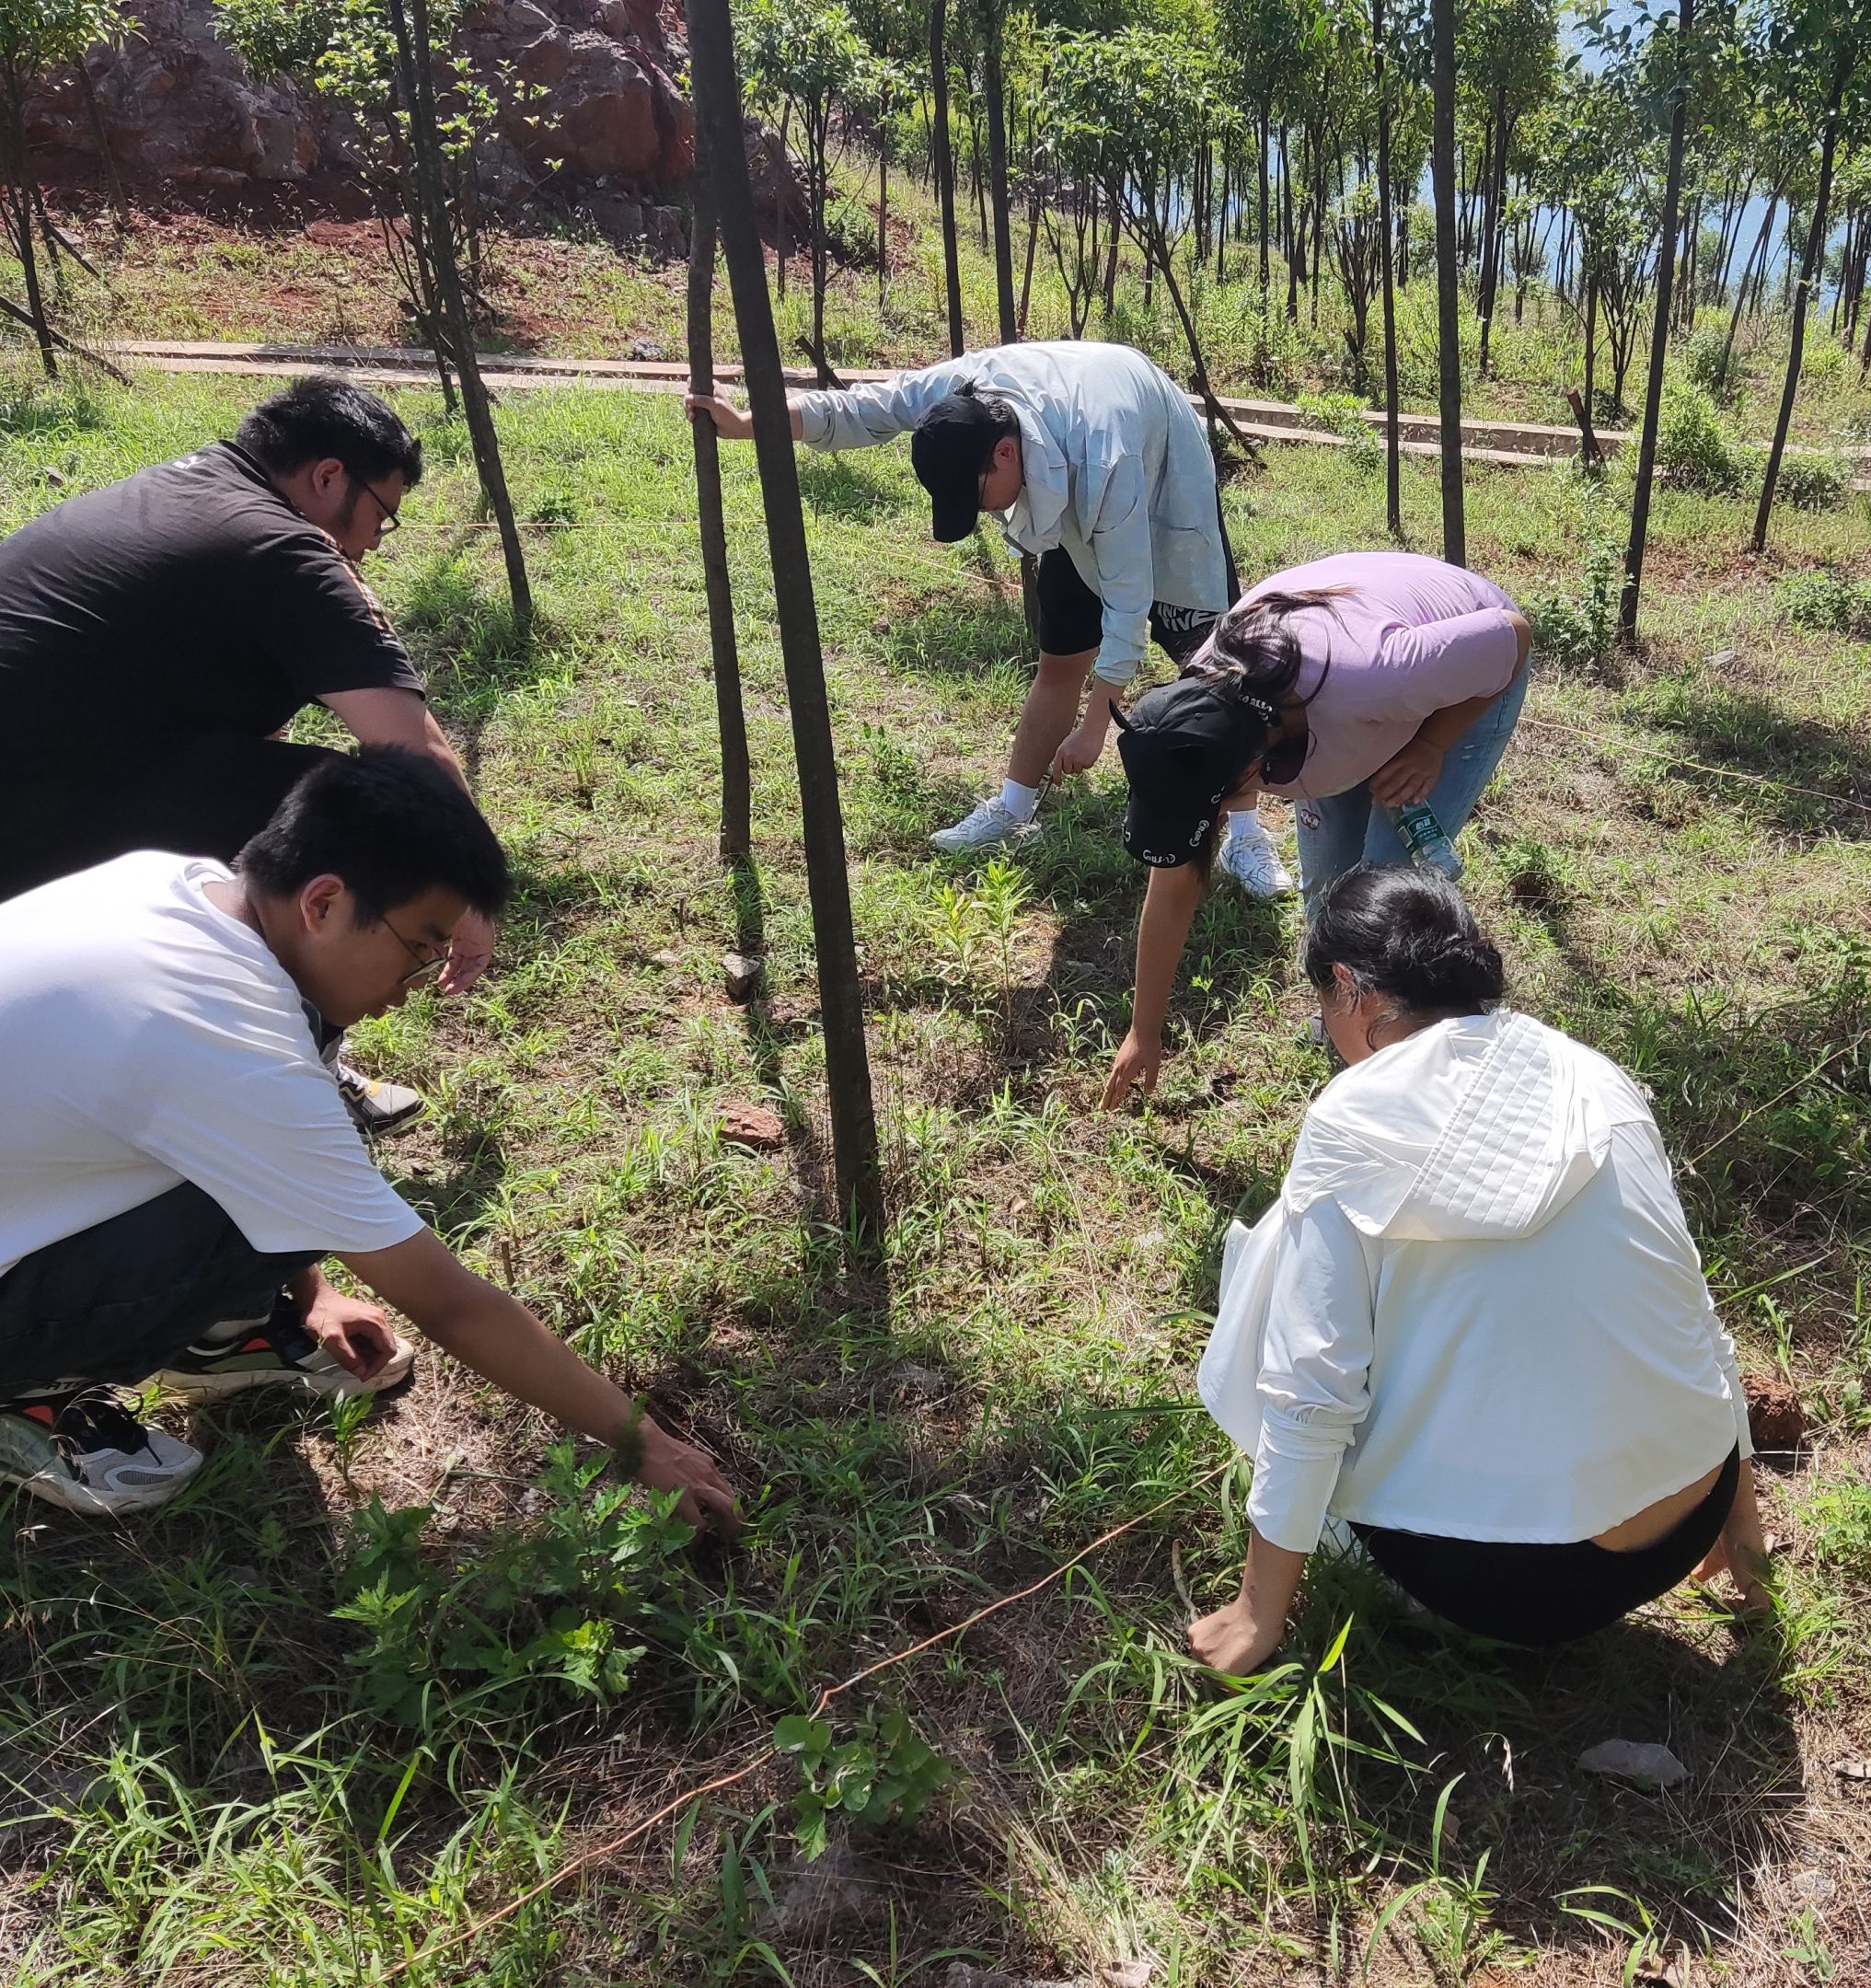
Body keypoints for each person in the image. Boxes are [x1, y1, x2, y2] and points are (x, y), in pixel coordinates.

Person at [0, 749, 737, 1529]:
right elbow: (449, 1302)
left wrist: (311, 1295)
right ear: (323, 902)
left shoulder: (180, 884)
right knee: (319, 1152)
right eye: (419, 945)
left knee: (307, 1148)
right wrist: (643, 1444)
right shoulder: (221, 1041)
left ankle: (226, 1332)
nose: (418, 983)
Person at [0, 374, 490, 1135]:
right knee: (343, 826)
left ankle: (155, 1051)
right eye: (381, 516)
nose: (373, 544)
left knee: (257, 806)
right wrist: (467, 891)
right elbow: (415, 754)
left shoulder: (189, 489)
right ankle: (296, 1082)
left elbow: (212, 713)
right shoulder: (285, 549)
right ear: (328, 478)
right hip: (1, 805)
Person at [1185, 866, 1768, 1671]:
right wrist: (1741, 1525)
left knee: (1276, 1262)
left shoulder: (1351, 1118)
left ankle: (1349, 1568)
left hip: (1514, 1587)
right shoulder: (1590, 1072)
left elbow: (1310, 1385)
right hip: (1689, 1512)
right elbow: (1692, 1305)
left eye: (1322, 1004)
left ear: (1348, 988)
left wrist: (1257, 1614)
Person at [687, 343, 1280, 885]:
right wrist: (750, 423)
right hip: (1069, 469)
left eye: (976, 497)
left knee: (1217, 673)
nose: (983, 514)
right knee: (1060, 659)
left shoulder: (1107, 458)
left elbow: (1128, 600)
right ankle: (1014, 809)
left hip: (1160, 469)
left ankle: (1246, 835)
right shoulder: (966, 391)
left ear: (1004, 453)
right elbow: (865, 408)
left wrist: (1097, 725)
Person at [1102, 550, 1533, 1107]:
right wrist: (1144, 1029)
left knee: (1388, 894)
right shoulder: (1199, 713)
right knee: (1330, 898)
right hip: (1345, 705)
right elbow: (1174, 887)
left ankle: (1413, 1066)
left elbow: (1512, 636)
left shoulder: (1373, 676)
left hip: (1462, 671)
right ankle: (1354, 1029)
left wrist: (1430, 744)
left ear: (1251, 769)